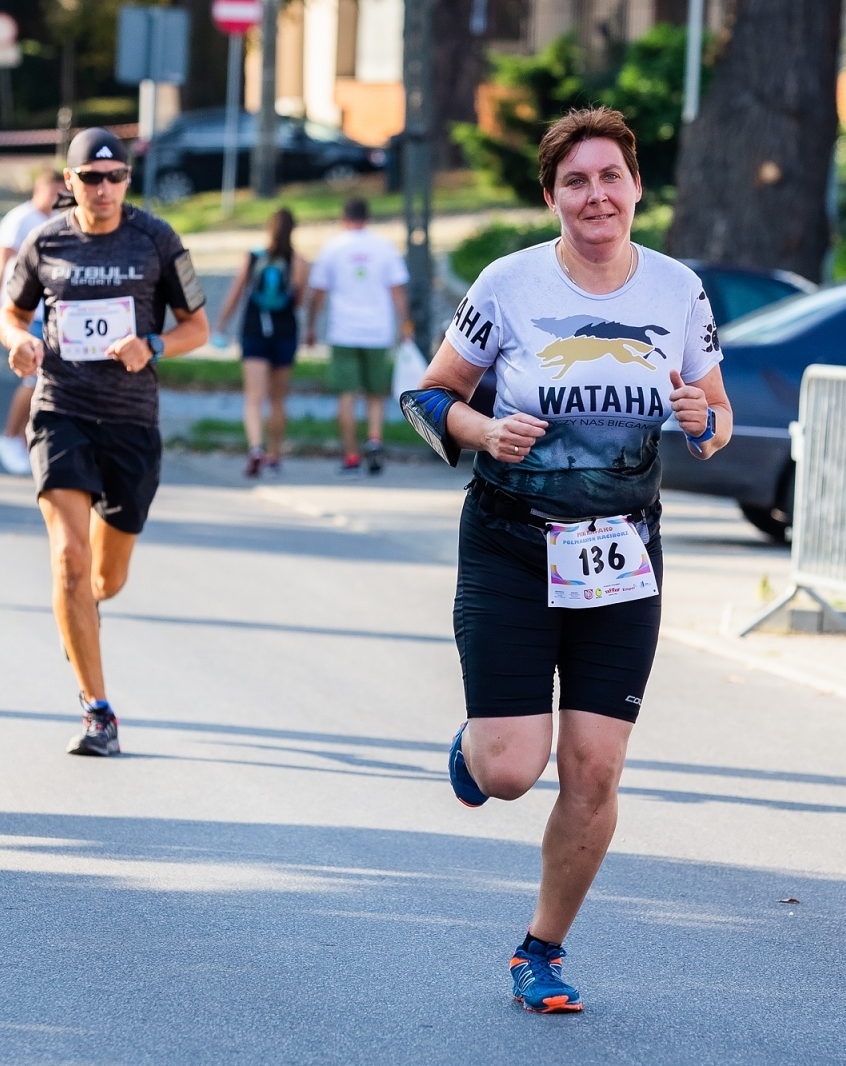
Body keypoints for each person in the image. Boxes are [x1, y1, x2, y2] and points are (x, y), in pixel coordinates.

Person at [403, 107, 732, 1014]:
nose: (597, 196)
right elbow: (429, 396)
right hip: (512, 542)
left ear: (636, 189)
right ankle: (479, 751)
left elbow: (713, 409)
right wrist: (482, 429)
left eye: (611, 178)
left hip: (621, 553)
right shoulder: (510, 284)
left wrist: (706, 424)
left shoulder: (676, 291)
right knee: (513, 770)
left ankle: (540, 950)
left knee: (594, 767)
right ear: (552, 196)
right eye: (576, 182)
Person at [0, 128, 209, 757]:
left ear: (127, 181)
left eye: (116, 176)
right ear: (70, 183)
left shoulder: (157, 239)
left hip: (130, 422)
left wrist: (156, 345)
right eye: (92, 178)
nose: (105, 188)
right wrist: (20, 341)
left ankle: (81, 613)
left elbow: (197, 326)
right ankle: (98, 711)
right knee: (69, 560)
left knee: (104, 579)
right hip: (60, 410)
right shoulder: (45, 241)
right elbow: (10, 311)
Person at [303, 197, 412, 476]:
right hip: (377, 331)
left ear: (343, 217)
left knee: (346, 395)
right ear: (368, 217)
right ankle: (374, 440)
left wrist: (311, 325)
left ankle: (351, 455)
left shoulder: (332, 248)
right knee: (375, 394)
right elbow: (398, 290)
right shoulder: (385, 247)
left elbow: (318, 292)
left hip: (344, 331)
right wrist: (405, 323)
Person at [213, 207, 309, 478]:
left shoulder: (253, 257)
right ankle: (274, 456)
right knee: (278, 399)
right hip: (285, 333)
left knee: (254, 398)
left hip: (254, 331)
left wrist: (221, 324)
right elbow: (299, 302)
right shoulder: (299, 261)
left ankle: (256, 447)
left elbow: (235, 293)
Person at [0, 168, 64, 475]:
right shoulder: (19, 219)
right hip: (23, 310)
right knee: (32, 378)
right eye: (52, 192)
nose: (57, 199)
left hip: (51, 313)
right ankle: (9, 435)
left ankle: (27, 437)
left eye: (61, 194)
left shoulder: (58, 220)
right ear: (39, 190)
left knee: (47, 380)